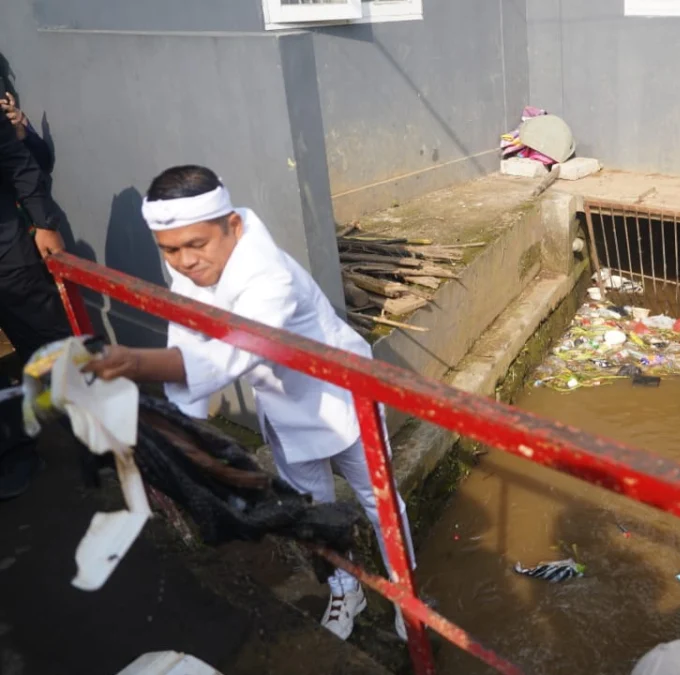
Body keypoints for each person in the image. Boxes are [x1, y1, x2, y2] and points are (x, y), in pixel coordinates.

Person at [82, 165, 414, 642]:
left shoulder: (268, 275)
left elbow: (236, 350)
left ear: (232, 225)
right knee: (311, 508)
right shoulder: (192, 272)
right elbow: (189, 339)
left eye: (196, 245)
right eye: (170, 250)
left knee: (380, 501)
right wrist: (184, 437)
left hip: (343, 396)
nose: (185, 261)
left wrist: (134, 362)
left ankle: (408, 594)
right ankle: (346, 589)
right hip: (282, 406)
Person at [0, 96, 72, 500]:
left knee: (47, 341)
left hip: (7, 251)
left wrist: (44, 224)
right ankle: (13, 453)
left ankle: (97, 430)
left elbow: (19, 161)